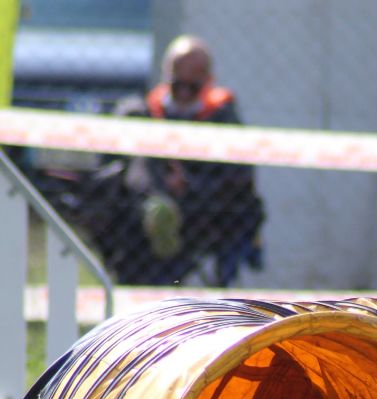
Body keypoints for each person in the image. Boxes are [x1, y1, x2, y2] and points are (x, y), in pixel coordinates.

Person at [79, 35, 265, 286]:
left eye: (194, 86)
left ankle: (162, 214)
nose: (185, 92)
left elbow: (238, 179)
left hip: (200, 213)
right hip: (136, 213)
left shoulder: (221, 116)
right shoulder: (140, 112)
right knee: (142, 154)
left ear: (209, 81)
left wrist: (189, 184)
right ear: (166, 76)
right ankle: (157, 209)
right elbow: (109, 166)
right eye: (178, 84)